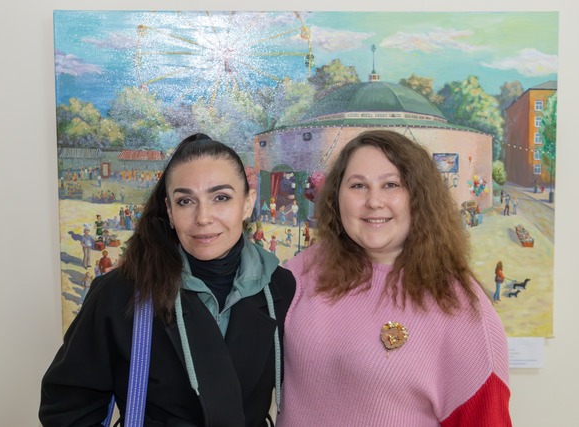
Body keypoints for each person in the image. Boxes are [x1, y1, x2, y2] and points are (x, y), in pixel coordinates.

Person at [40, 133, 296, 426]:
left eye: (221, 197)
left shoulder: (282, 288)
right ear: (170, 211)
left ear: (248, 204)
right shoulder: (120, 293)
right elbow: (66, 409)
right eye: (185, 201)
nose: (203, 217)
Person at [277, 130, 511, 426]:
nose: (374, 201)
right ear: (337, 197)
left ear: (419, 197)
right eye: (358, 185)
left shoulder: (462, 309)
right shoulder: (303, 270)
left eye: (391, 185)